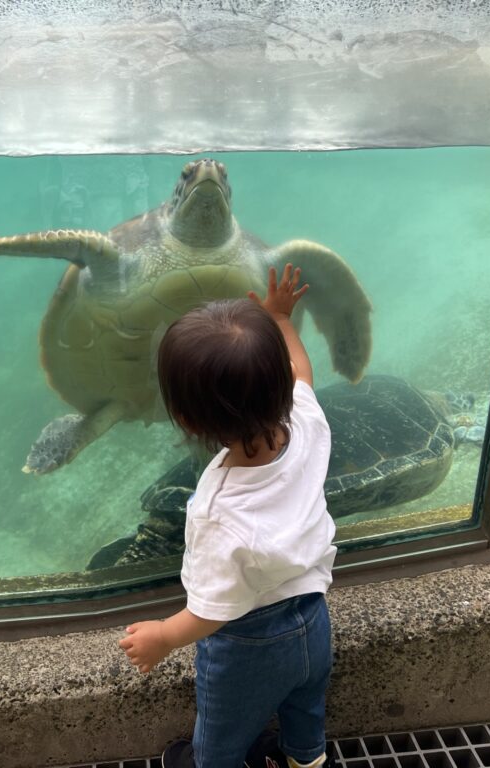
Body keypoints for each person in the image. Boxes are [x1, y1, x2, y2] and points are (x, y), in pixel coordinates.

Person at [118, 264, 336, 768]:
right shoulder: (305, 416)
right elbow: (303, 370)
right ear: (281, 382)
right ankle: (307, 760)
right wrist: (280, 318)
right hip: (313, 618)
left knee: (219, 734)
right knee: (306, 707)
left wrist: (164, 636)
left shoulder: (220, 512)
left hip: (249, 644)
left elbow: (213, 609)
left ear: (189, 420)